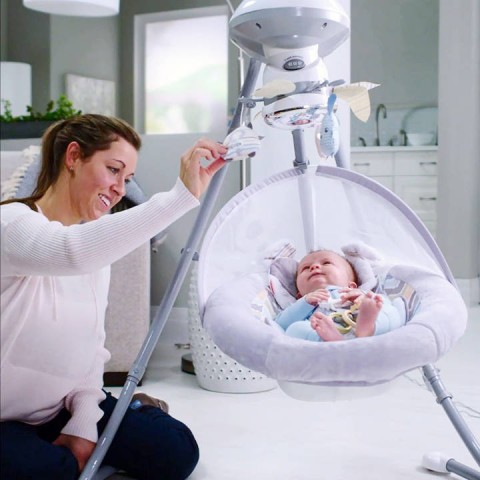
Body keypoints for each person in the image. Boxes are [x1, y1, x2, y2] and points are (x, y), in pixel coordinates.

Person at [0, 114, 227, 480]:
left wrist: (84, 425)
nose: (120, 188)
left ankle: (135, 408)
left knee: (176, 451)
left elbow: (90, 351)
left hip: (57, 408)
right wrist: (178, 199)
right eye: (113, 170)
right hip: (4, 418)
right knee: (47, 471)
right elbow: (69, 251)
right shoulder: (11, 223)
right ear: (73, 156)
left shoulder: (96, 255)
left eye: (128, 178)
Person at [275, 250, 405, 342]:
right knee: (294, 329)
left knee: (391, 309)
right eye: (305, 268)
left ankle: (369, 328)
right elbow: (282, 323)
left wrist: (364, 297)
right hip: (325, 331)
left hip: (360, 323)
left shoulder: (354, 293)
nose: (314, 267)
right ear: (299, 294)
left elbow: (381, 302)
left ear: (351, 285)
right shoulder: (303, 304)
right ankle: (331, 340)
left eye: (326, 263)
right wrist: (305, 302)